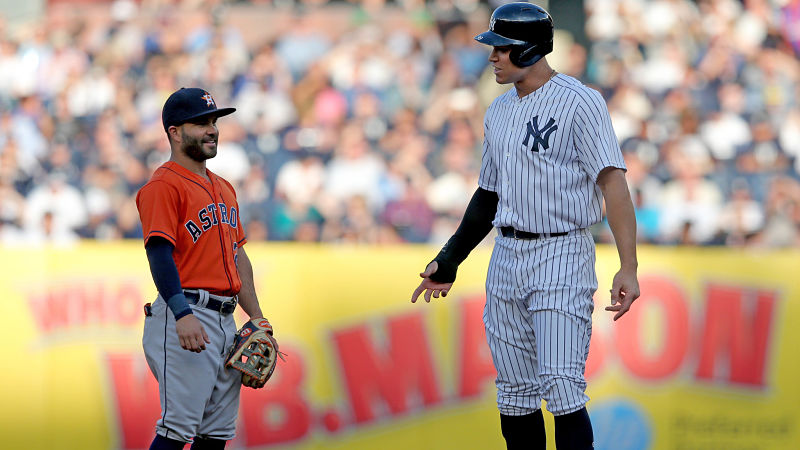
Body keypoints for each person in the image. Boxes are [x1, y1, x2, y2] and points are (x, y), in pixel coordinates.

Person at [410, 4, 640, 449]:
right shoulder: (497, 111)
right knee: (515, 396)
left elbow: (613, 182)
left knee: (560, 383)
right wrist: (450, 258)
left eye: (502, 48)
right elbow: (488, 196)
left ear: (531, 50)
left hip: (562, 251)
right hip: (507, 255)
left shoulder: (580, 101)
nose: (493, 56)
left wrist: (627, 265)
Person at [136, 88, 269, 450]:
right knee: (177, 429)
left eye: (213, 122)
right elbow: (159, 255)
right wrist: (181, 313)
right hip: (186, 313)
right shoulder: (163, 185)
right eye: (201, 123)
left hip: (225, 319)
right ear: (175, 132)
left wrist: (257, 318)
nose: (212, 130)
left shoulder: (224, 187)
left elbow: (237, 255)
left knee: (216, 434)